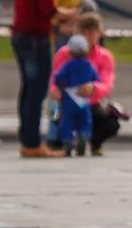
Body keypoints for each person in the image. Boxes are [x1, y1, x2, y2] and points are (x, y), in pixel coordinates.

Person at [12, 0, 69, 158]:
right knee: (36, 92)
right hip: (36, 37)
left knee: (27, 89)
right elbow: (47, 9)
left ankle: (26, 136)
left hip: (20, 35)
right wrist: (69, 13)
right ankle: (32, 143)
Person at [50, 13, 121, 156]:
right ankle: (64, 141)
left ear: (99, 34)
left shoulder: (105, 57)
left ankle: (93, 142)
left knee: (111, 124)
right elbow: (55, 76)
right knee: (59, 129)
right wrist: (55, 90)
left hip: (89, 104)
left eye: (91, 33)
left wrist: (93, 88)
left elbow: (106, 83)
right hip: (67, 103)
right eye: (83, 32)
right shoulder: (64, 54)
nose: (87, 37)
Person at [53, 35, 100, 157]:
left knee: (67, 121)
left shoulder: (68, 65)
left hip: (69, 97)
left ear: (70, 51)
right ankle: (83, 136)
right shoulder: (89, 65)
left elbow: (58, 77)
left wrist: (61, 85)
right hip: (83, 98)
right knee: (84, 120)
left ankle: (68, 141)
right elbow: (96, 78)